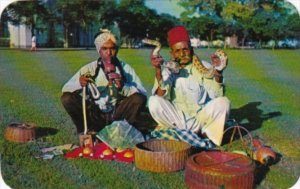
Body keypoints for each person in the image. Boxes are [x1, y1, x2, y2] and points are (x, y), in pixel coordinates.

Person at [148, 26, 230, 146]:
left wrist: (218, 72)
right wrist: (158, 70)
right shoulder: (168, 69)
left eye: (185, 49)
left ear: (191, 49)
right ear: (172, 53)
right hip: (178, 119)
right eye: (177, 51)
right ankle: (192, 134)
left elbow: (216, 96)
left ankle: (203, 134)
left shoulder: (205, 67)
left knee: (224, 102)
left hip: (200, 119)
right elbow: (160, 95)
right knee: (153, 101)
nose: (182, 54)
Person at [61, 29, 147, 134]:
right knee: (67, 98)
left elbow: (142, 94)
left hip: (118, 114)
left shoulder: (126, 69)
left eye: (112, 48)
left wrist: (123, 86)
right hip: (94, 114)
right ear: (99, 50)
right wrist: (80, 83)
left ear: (117, 50)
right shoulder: (90, 68)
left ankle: (121, 131)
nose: (109, 53)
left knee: (138, 98)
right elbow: (66, 89)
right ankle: (88, 131)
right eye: (105, 49)